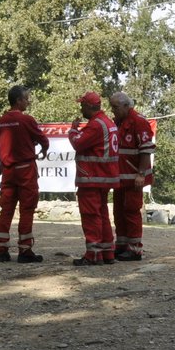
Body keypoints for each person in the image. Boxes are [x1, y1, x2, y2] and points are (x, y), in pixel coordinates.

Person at [0, 85, 49, 263]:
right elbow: (43, 140)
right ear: (18, 100)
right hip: (25, 170)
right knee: (27, 210)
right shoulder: (27, 120)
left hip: (8, 171)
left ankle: (1, 250)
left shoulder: (1, 122)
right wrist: (43, 150)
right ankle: (25, 250)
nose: (28, 101)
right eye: (26, 98)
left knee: (6, 210)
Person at [69, 91, 119, 266]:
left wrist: (73, 130)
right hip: (104, 176)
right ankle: (107, 251)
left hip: (92, 176)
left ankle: (93, 254)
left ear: (90, 106)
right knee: (102, 213)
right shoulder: (108, 122)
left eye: (82, 105)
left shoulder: (95, 125)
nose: (81, 108)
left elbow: (78, 143)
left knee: (91, 215)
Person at [110, 91, 155, 261]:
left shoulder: (139, 122)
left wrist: (141, 174)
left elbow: (146, 150)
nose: (112, 110)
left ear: (127, 106)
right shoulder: (119, 122)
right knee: (119, 212)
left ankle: (135, 249)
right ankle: (122, 245)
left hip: (134, 177)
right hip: (121, 177)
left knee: (131, 211)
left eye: (115, 107)